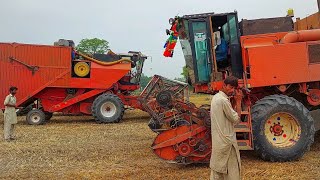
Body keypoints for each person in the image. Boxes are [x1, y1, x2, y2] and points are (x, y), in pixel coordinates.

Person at [210, 76, 242, 180]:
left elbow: (227, 114)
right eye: (230, 87)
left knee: (217, 172)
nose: (232, 90)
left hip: (218, 142)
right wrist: (238, 101)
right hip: (227, 143)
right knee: (232, 173)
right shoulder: (223, 101)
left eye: (234, 88)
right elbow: (236, 119)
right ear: (224, 86)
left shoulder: (216, 98)